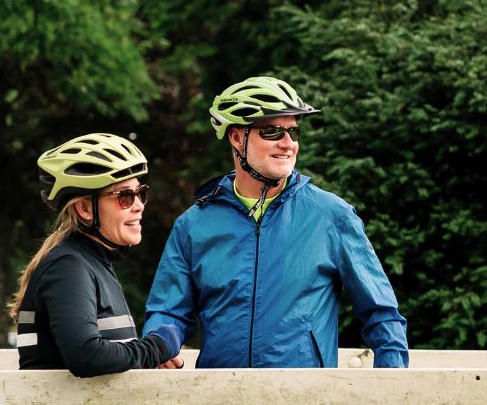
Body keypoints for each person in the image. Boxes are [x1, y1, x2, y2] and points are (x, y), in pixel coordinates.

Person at [144, 76, 409, 368]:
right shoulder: (193, 225)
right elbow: (167, 311)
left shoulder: (332, 216)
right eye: (272, 131)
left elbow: (381, 314)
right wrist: (161, 341)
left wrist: (391, 386)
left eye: (293, 133)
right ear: (236, 137)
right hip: (220, 395)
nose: (288, 144)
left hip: (306, 398)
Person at [8, 133, 184, 377]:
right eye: (125, 196)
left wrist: (146, 360)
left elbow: (106, 355)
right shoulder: (67, 266)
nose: (139, 205)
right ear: (85, 208)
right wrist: (156, 347)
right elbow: (87, 356)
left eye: (140, 192)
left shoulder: (92, 263)